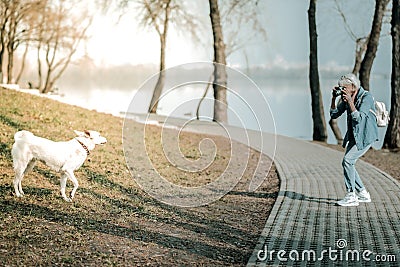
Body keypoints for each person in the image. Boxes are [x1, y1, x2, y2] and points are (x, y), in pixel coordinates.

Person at [330, 73, 378, 207]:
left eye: (344, 87)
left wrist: (350, 102)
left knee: (347, 161)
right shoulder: (346, 98)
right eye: (340, 88)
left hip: (365, 135)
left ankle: (351, 196)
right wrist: (334, 98)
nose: (342, 90)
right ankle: (362, 193)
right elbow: (333, 115)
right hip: (354, 135)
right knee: (348, 163)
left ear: (353, 86)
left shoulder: (366, 97)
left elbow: (359, 118)